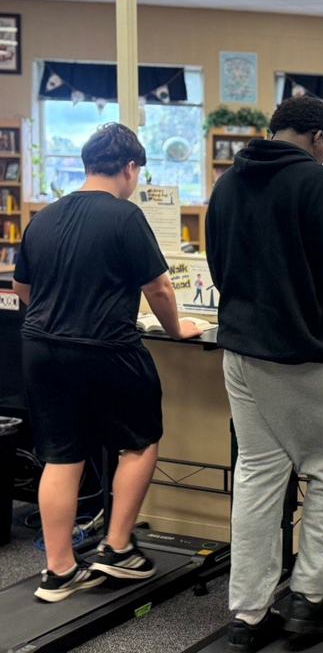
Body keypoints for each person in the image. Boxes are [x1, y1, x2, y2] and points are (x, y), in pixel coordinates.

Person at [12, 123, 202, 602]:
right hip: (105, 347)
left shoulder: (45, 217)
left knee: (61, 455)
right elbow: (158, 287)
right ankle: (118, 548)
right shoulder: (125, 216)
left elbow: (22, 291)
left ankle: (58, 572)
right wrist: (178, 328)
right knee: (139, 442)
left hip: (40, 348)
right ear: (131, 168)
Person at [206, 96, 323, 651]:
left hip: (241, 353)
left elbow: (218, 267)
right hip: (305, 354)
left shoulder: (228, 184)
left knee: (258, 473)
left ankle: (247, 615)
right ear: (320, 139)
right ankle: (310, 598)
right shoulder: (319, 184)